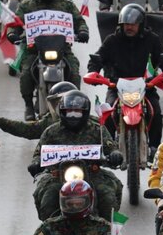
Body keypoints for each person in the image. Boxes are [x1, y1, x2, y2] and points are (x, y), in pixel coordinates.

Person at [87, 3, 163, 159]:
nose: (129, 27)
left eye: (133, 24)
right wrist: (93, 72)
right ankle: (109, 149)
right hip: (116, 86)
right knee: (107, 113)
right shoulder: (112, 40)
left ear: (141, 24)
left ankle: (154, 149)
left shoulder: (152, 39)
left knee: (157, 113)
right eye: (127, 24)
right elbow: (98, 58)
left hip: (146, 86)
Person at [7, 0, 89, 121]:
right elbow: (15, 23)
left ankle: (75, 102)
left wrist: (83, 32)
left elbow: (79, 21)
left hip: (62, 50)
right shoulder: (26, 5)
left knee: (75, 72)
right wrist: (12, 33)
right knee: (25, 73)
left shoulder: (67, 5)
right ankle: (28, 106)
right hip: (34, 50)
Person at [29, 91, 123, 221]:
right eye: (69, 112)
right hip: (58, 175)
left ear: (85, 112)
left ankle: (109, 233)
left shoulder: (97, 130)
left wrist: (115, 155)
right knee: (47, 198)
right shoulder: (51, 132)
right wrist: (36, 163)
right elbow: (39, 153)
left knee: (108, 197)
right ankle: (50, 229)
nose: (73, 116)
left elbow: (111, 147)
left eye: (77, 112)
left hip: (93, 174)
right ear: (62, 112)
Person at [0, 81, 78, 140]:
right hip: (57, 170)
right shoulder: (49, 123)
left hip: (88, 170)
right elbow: (26, 130)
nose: (67, 107)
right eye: (59, 103)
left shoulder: (92, 124)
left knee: (73, 70)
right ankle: (28, 103)